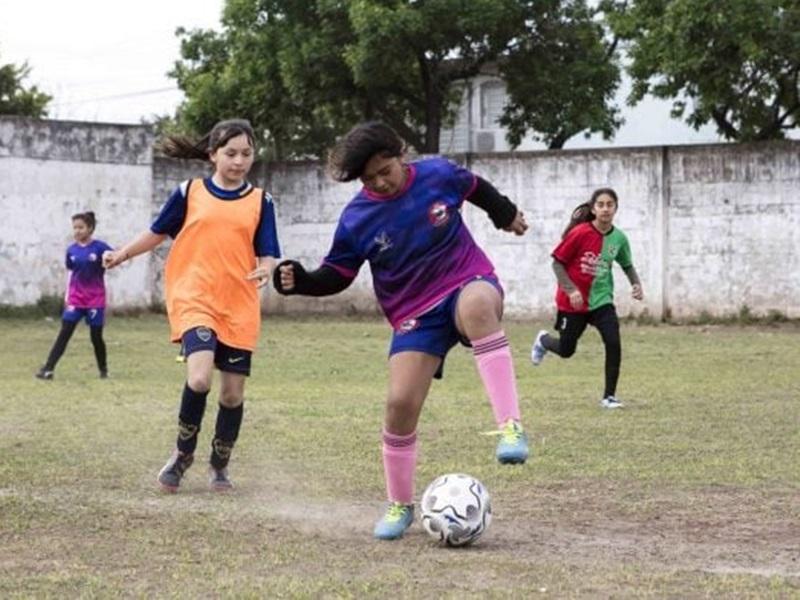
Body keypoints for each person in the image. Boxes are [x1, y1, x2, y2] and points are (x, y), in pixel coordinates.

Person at [272, 121, 530, 540]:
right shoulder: (357, 218)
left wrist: (506, 215)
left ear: (400, 155)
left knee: (479, 305)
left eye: (385, 170)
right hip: (414, 312)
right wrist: (302, 280)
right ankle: (399, 504)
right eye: (369, 178)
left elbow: (476, 187)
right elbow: (337, 273)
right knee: (398, 403)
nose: (380, 182)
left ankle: (510, 427)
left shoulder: (437, 175)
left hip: (465, 279)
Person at [103, 119, 280, 492]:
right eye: (230, 153)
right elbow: (157, 232)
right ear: (213, 154)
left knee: (232, 394)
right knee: (199, 377)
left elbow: (267, 254)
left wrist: (265, 271)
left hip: (239, 305)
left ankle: (219, 464)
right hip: (195, 297)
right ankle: (182, 455)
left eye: (246, 154)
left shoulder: (261, 202)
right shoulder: (190, 192)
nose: (239, 161)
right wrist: (122, 254)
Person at [530, 188, 644, 409]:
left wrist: (636, 284)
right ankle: (543, 341)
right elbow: (557, 263)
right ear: (593, 209)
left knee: (613, 343)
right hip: (573, 302)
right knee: (566, 350)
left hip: (602, 301)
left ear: (615, 208)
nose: (605, 209)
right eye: (600, 204)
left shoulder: (619, 238)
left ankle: (609, 397)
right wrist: (571, 290)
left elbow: (627, 265)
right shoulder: (580, 233)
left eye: (609, 204)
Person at [35, 211, 113, 380]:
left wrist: (109, 258)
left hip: (95, 299)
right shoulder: (71, 250)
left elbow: (113, 259)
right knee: (64, 333)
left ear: (90, 228)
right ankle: (48, 369)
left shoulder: (100, 247)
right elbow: (71, 273)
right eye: (75, 228)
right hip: (76, 299)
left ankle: (103, 369)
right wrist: (67, 296)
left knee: (96, 337)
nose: (77, 231)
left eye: (81, 227)